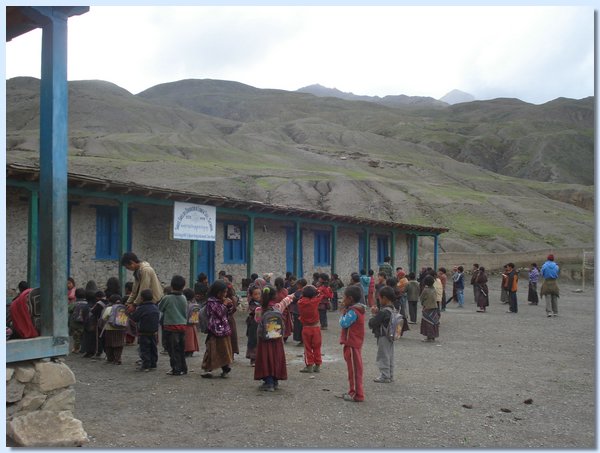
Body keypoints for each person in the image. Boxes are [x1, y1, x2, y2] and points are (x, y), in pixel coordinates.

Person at [254, 286, 294, 391]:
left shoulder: (259, 309)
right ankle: (275, 382)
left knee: (266, 359)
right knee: (276, 358)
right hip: (277, 339)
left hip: (264, 340)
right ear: (274, 296)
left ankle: (269, 383)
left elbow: (257, 320)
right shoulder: (278, 307)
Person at [201, 280, 234, 379]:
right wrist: (224, 304)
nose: (225, 294)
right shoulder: (211, 302)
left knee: (224, 349)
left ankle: (225, 368)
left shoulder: (221, 301)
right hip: (214, 330)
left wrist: (229, 305)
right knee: (211, 349)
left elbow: (227, 313)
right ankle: (208, 369)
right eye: (223, 292)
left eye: (226, 292)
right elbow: (218, 313)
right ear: (217, 292)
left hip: (224, 330)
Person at [338, 285, 366, 402]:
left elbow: (344, 323)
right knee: (355, 369)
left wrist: (342, 314)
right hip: (354, 343)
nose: (343, 300)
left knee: (354, 370)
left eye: (344, 297)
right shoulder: (358, 309)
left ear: (350, 299)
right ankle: (353, 391)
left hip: (352, 344)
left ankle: (356, 394)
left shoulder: (353, 311)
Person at [158, 275, 188, 376]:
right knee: (181, 349)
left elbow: (160, 308)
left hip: (170, 327)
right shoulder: (184, 298)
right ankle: (183, 368)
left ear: (171, 285)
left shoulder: (167, 298)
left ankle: (176, 369)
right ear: (183, 286)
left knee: (172, 350)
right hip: (182, 326)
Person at [368, 286, 396, 383]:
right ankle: (390, 374)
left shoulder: (384, 312)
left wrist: (373, 314)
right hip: (391, 336)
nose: (379, 300)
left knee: (382, 355)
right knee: (389, 355)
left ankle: (384, 376)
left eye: (379, 298)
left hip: (383, 336)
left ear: (384, 298)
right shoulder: (393, 309)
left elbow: (372, 323)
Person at [129, 289, 160, 371]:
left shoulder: (141, 308)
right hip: (154, 332)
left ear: (142, 298)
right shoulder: (155, 307)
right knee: (153, 348)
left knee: (145, 349)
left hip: (143, 332)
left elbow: (134, 318)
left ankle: (146, 365)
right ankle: (153, 364)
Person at [297, 285, 323, 373]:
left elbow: (300, 298)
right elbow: (321, 294)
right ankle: (318, 365)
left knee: (307, 348)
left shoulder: (300, 302)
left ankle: (309, 366)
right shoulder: (315, 301)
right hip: (316, 328)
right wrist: (316, 290)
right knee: (317, 347)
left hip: (306, 328)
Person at [100, 294, 127, 365]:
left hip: (110, 329)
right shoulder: (123, 308)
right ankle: (118, 359)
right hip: (121, 329)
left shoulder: (109, 308)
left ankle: (110, 359)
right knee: (119, 344)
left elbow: (104, 318)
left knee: (109, 344)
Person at [245, 285, 262, 366]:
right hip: (253, 325)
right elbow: (254, 311)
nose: (258, 296)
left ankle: (259, 359)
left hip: (260, 325)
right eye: (255, 294)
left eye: (259, 293)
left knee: (260, 341)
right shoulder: (252, 304)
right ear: (251, 295)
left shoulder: (261, 302)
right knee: (253, 341)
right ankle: (253, 359)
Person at [420, 275, 439, 342]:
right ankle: (433, 336)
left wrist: (423, 304)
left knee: (427, 322)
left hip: (427, 308)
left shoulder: (425, 290)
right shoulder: (434, 289)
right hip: (434, 308)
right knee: (433, 322)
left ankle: (429, 337)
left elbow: (421, 298)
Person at [68, 288, 87, 353]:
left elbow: (69, 309)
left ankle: (76, 349)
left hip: (75, 323)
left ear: (75, 295)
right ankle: (84, 348)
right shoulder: (86, 303)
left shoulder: (74, 303)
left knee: (76, 337)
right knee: (83, 336)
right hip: (84, 323)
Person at [183, 288, 199, 357]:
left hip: (183, 325)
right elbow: (194, 320)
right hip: (190, 327)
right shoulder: (195, 306)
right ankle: (189, 350)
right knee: (190, 340)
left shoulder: (182, 304)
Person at [274, 277, 292, 341]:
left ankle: (277, 336)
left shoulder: (273, 292)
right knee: (285, 324)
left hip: (275, 311)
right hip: (285, 311)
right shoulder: (285, 291)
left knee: (276, 323)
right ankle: (284, 337)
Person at [290, 278, 307, 346]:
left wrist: (294, 299)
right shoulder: (306, 290)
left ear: (300, 285)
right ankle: (302, 340)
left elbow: (297, 299)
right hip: (301, 311)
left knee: (299, 326)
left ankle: (302, 340)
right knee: (301, 326)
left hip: (298, 311)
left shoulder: (301, 292)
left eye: (298, 284)